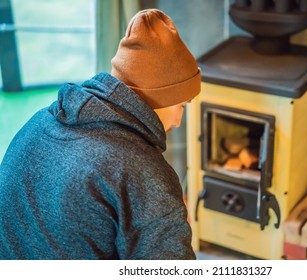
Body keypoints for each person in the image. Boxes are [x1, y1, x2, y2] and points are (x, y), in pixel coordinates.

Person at [0, 9, 201, 260]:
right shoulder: (142, 172)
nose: (179, 121)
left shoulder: (38, 122)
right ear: (162, 98)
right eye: (182, 106)